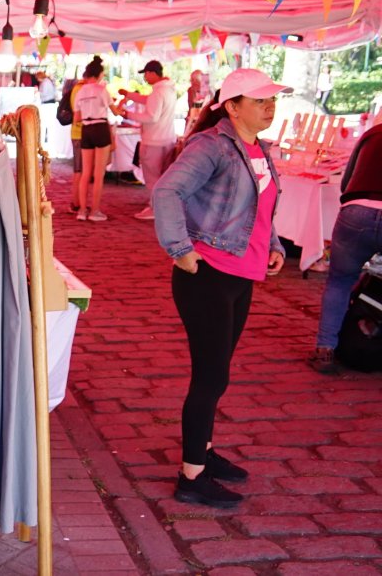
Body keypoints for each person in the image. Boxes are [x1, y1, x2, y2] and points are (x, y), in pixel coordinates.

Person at [152, 68, 291, 509]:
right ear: (231, 106)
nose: (269, 107)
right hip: (207, 274)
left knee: (218, 372)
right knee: (211, 375)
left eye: (272, 100)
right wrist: (180, 250)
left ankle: (204, 452)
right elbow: (166, 192)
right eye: (260, 101)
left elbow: (259, 208)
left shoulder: (259, 149)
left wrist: (274, 245)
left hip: (242, 274)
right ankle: (191, 476)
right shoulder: (211, 146)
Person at [311, 114, 382, 374]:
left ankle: (325, 349)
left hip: (356, 210)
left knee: (339, 281)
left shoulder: (372, 133)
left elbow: (345, 181)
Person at [120, 60, 179, 220]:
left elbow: (151, 117)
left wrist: (127, 114)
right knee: (163, 177)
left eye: (146, 74)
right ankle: (162, 207)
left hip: (153, 141)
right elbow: (147, 100)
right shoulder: (168, 89)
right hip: (167, 139)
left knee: (152, 178)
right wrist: (129, 95)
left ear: (153, 73)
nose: (145, 77)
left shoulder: (158, 92)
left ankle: (155, 208)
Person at [72, 56, 116, 221]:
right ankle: (95, 211)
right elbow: (116, 112)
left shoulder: (80, 91)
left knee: (85, 173)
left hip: (86, 129)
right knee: (99, 174)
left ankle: (82, 211)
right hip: (100, 128)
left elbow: (76, 118)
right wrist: (124, 101)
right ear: (100, 75)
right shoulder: (102, 90)